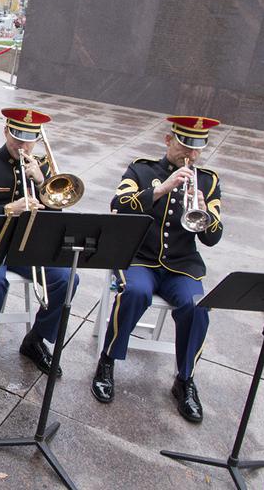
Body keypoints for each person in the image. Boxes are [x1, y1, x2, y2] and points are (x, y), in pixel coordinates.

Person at [92, 115, 223, 423]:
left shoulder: (208, 181)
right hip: (140, 256)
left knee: (197, 306)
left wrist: (204, 210)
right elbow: (117, 205)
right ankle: (108, 359)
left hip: (181, 265)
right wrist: (161, 189)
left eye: (196, 147)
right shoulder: (141, 169)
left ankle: (184, 379)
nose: (189, 153)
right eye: (183, 144)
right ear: (168, 140)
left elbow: (213, 237)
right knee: (135, 292)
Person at [0, 108, 79, 380]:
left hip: (28, 246)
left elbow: (56, 218)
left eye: (30, 140)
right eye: (17, 138)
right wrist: (8, 209)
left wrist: (41, 181)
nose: (23, 146)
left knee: (67, 278)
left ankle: (36, 340)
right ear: (6, 132)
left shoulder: (45, 169)